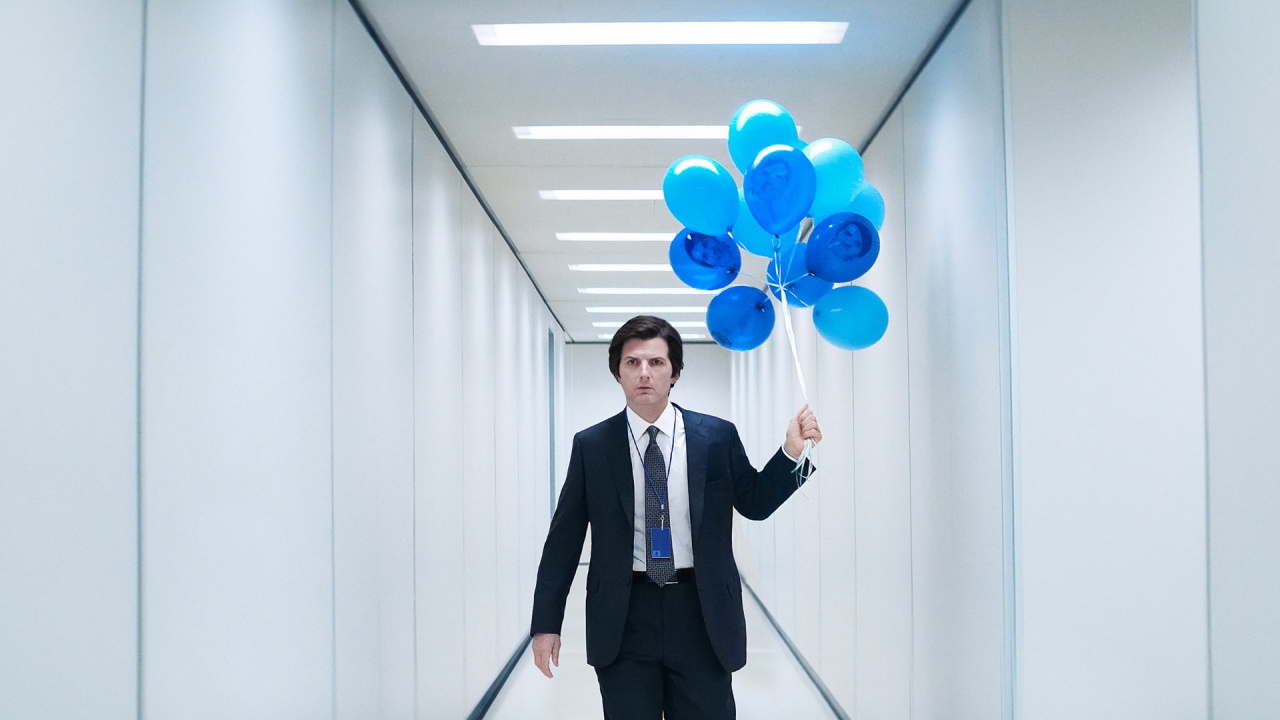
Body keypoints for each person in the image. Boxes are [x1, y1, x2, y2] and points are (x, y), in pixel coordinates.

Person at [529, 315, 822, 719]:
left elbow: (754, 502)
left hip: (701, 612)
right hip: (623, 614)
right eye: (632, 363)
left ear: (675, 372)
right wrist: (546, 623)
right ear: (617, 372)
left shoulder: (716, 437)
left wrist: (792, 454)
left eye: (656, 363)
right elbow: (563, 541)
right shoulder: (592, 446)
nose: (644, 373)